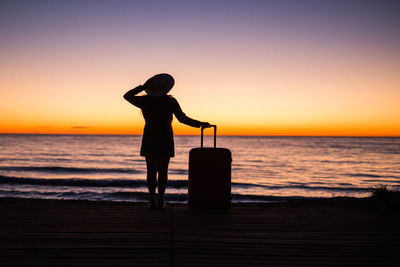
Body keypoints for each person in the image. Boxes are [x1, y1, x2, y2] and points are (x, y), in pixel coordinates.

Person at [123, 73, 211, 209]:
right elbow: (183, 119)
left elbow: (127, 96)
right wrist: (200, 124)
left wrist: (143, 87)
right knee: (163, 170)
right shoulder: (170, 101)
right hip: (165, 137)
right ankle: (160, 200)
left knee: (151, 170)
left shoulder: (145, 101)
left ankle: (152, 200)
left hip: (150, 137)